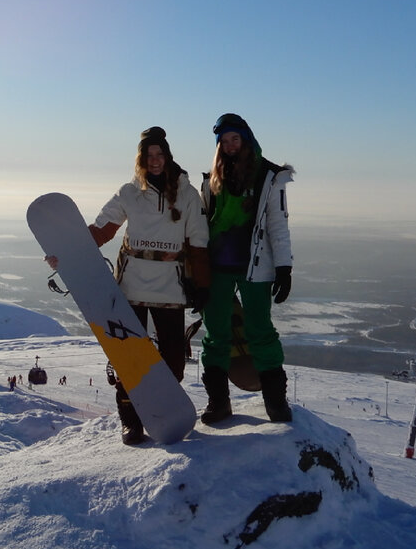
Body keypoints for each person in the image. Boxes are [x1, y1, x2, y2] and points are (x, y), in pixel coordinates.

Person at [77, 126, 209, 444]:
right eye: (149, 155)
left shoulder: (187, 193)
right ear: (142, 158)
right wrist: (68, 251)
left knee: (175, 359)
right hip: (132, 284)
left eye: (159, 154)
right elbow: (102, 230)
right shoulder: (129, 192)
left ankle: (160, 409)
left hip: (170, 286)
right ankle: (130, 421)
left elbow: (199, 241)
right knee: (128, 356)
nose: (155, 160)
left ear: (167, 155)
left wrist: (203, 285)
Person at [198, 113, 295, 424]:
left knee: (260, 331)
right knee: (216, 335)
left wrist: (284, 267)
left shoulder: (269, 176)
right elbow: (201, 227)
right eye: (224, 141)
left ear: (247, 139)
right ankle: (218, 403)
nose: (229, 146)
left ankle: (276, 403)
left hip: (256, 267)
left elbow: (278, 225)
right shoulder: (211, 180)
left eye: (234, 139)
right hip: (217, 267)